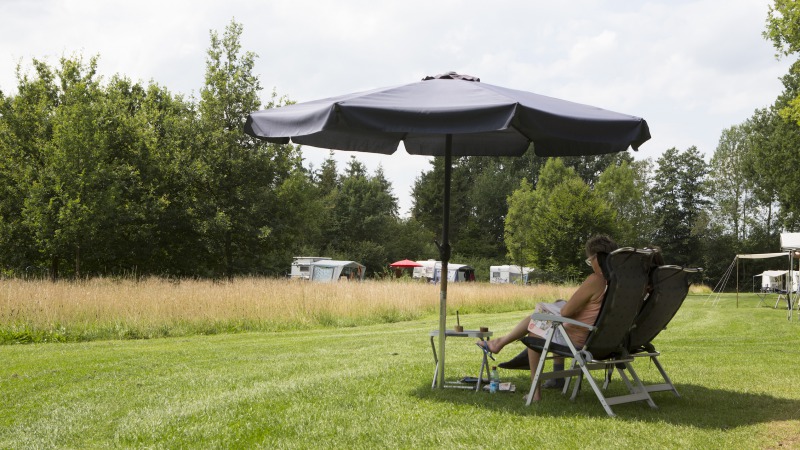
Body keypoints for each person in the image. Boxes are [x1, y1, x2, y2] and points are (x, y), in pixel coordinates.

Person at [476, 234, 618, 402]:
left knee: (534, 328)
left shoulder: (596, 279)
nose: (591, 265)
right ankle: (501, 344)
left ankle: (535, 393)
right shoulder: (617, 282)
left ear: (597, 257)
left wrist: (559, 310)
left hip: (577, 340)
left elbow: (566, 312)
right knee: (551, 310)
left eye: (590, 260)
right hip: (601, 340)